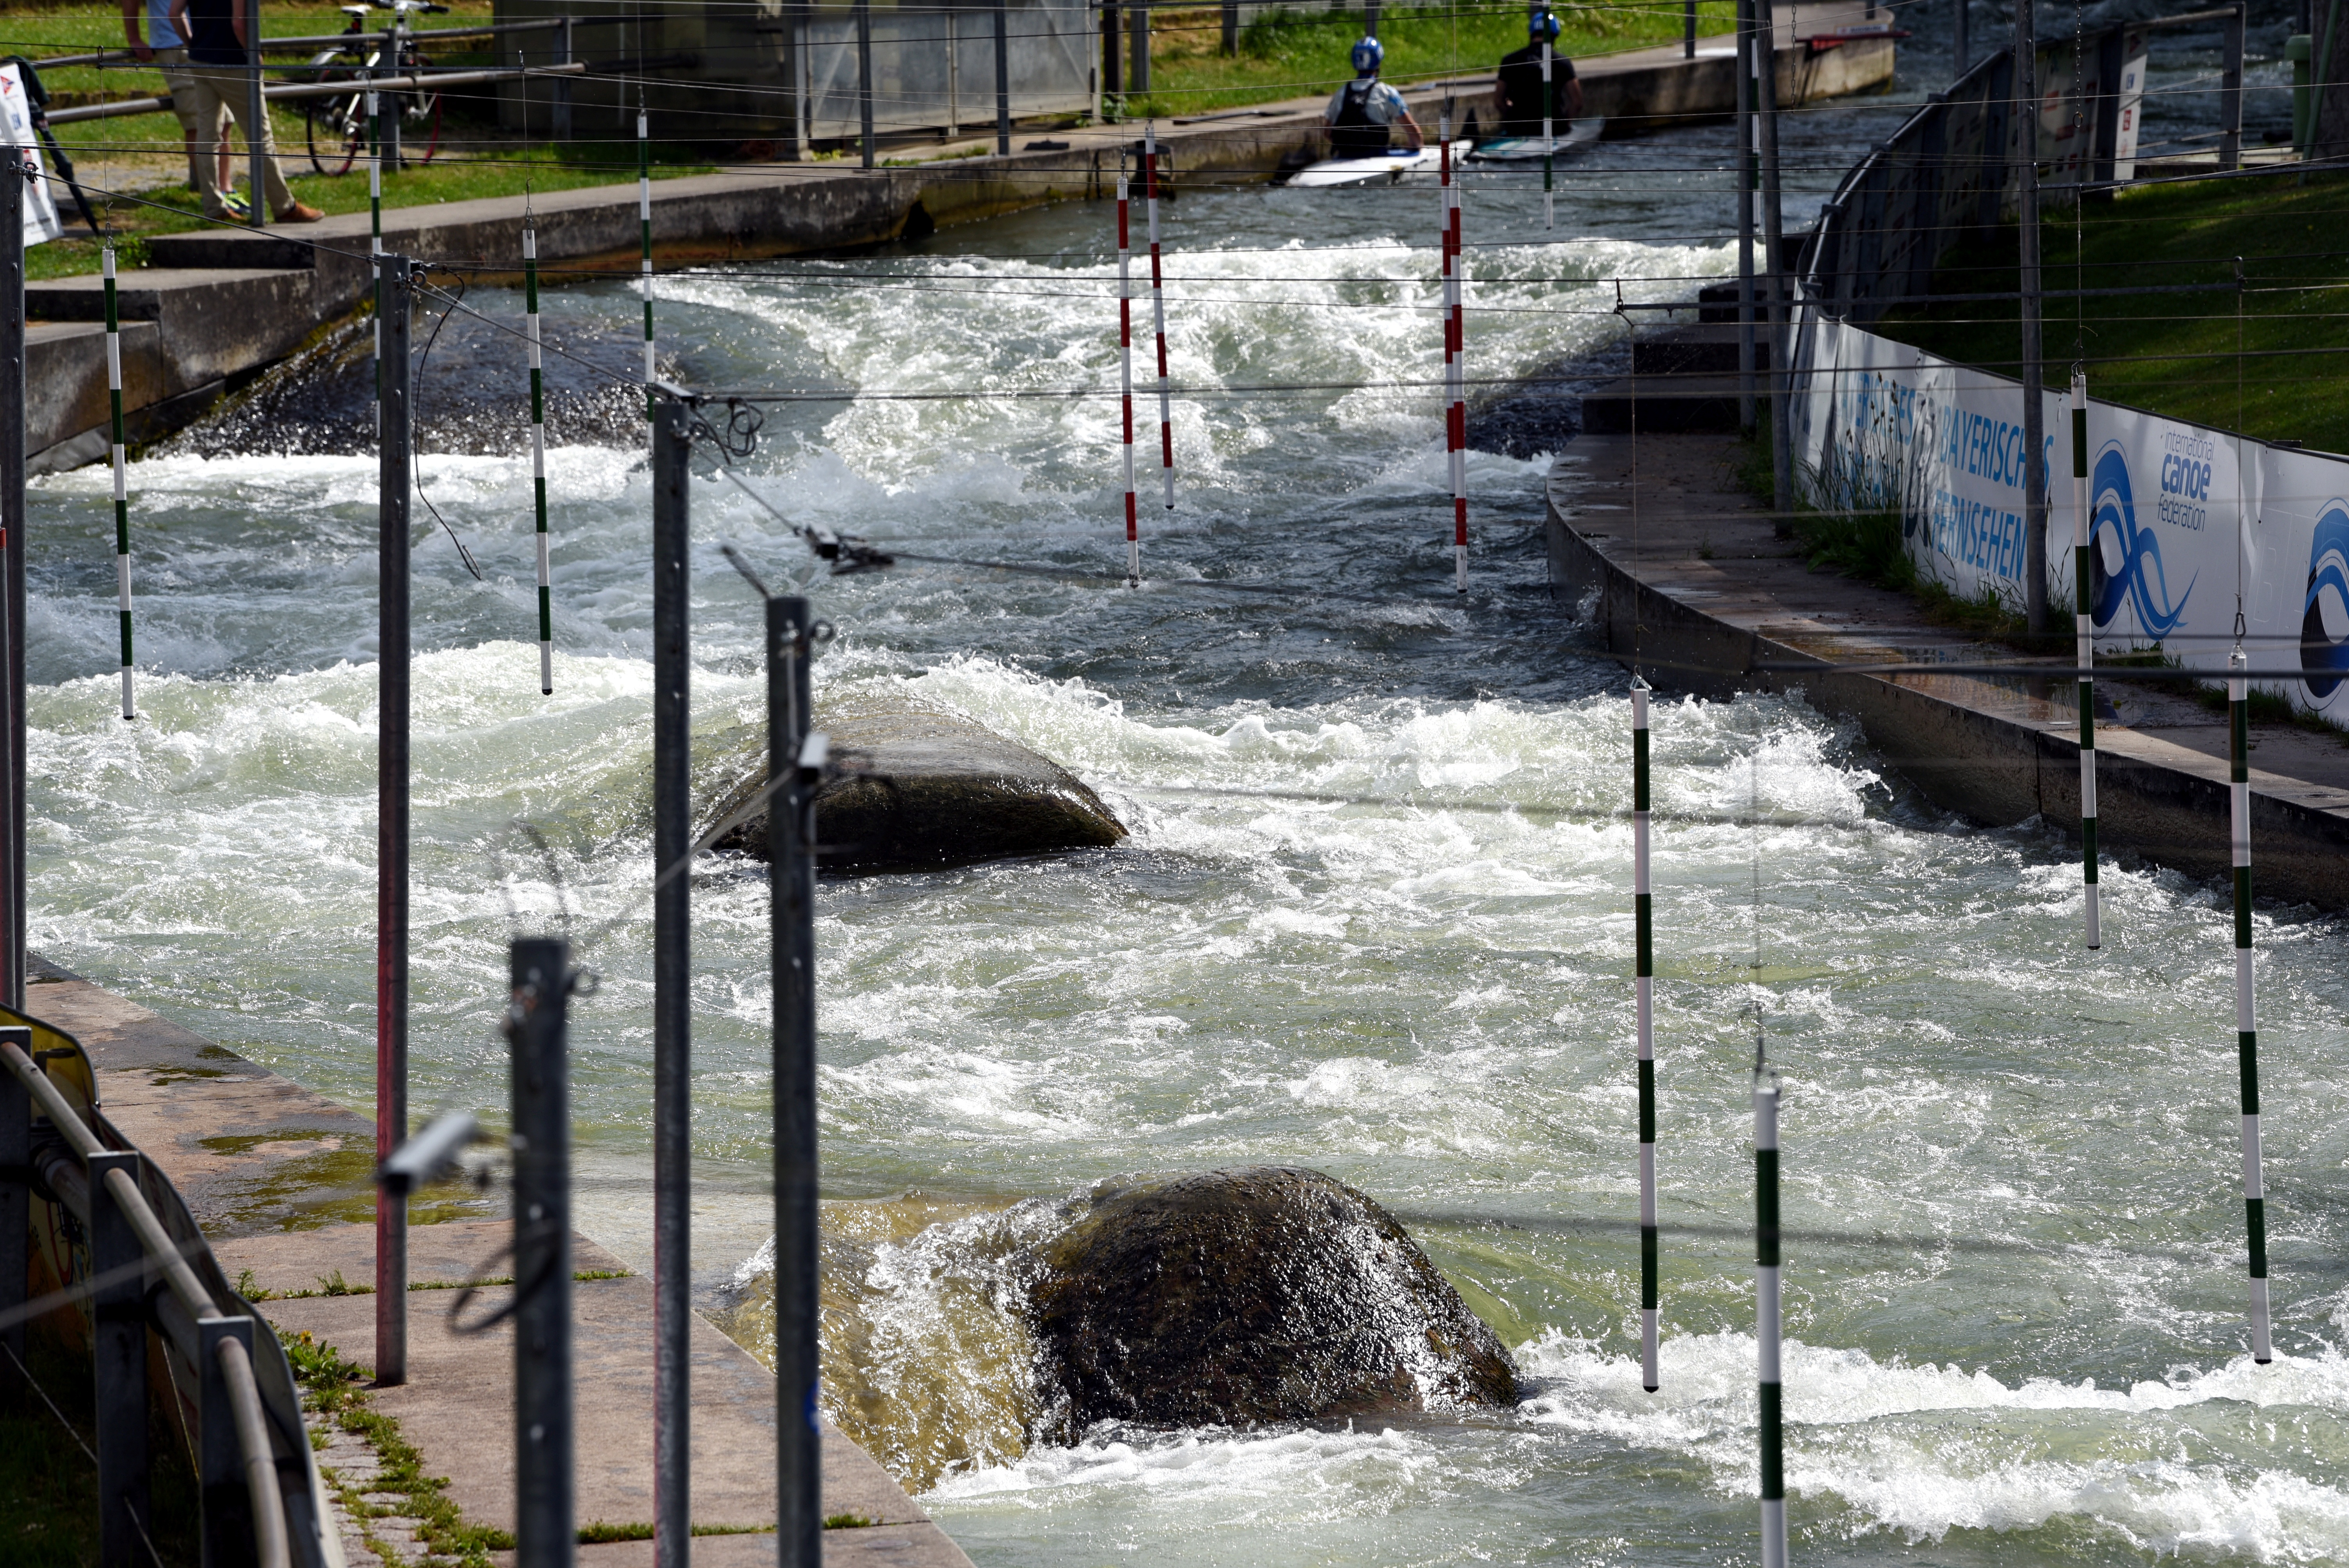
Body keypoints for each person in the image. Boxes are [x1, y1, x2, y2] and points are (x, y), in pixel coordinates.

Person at [165, 0, 323, 223]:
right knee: (260, 136)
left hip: (200, 59)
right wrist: (254, 55)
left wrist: (193, 45)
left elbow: (174, 13)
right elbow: (239, 24)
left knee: (207, 136)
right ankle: (284, 207)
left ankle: (213, 207)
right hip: (235, 62)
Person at [119, 0, 239, 209]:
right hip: (175, 45)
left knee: (225, 121)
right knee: (197, 122)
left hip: (204, 39)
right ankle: (212, 194)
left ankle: (226, 190)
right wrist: (134, 38)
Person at [1322, 37, 1424, 159]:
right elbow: (1416, 136)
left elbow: (1327, 133)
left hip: (1345, 156)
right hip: (1377, 157)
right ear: (1378, 62)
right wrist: (1412, 146)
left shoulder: (1342, 92)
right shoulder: (1387, 92)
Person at [1495, 10, 1583, 139]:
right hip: (1554, 129)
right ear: (1555, 35)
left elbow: (1498, 101)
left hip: (1519, 129)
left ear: (1532, 33)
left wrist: (1512, 117)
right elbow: (1577, 102)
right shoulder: (1562, 62)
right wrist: (1565, 123)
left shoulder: (1510, 60)